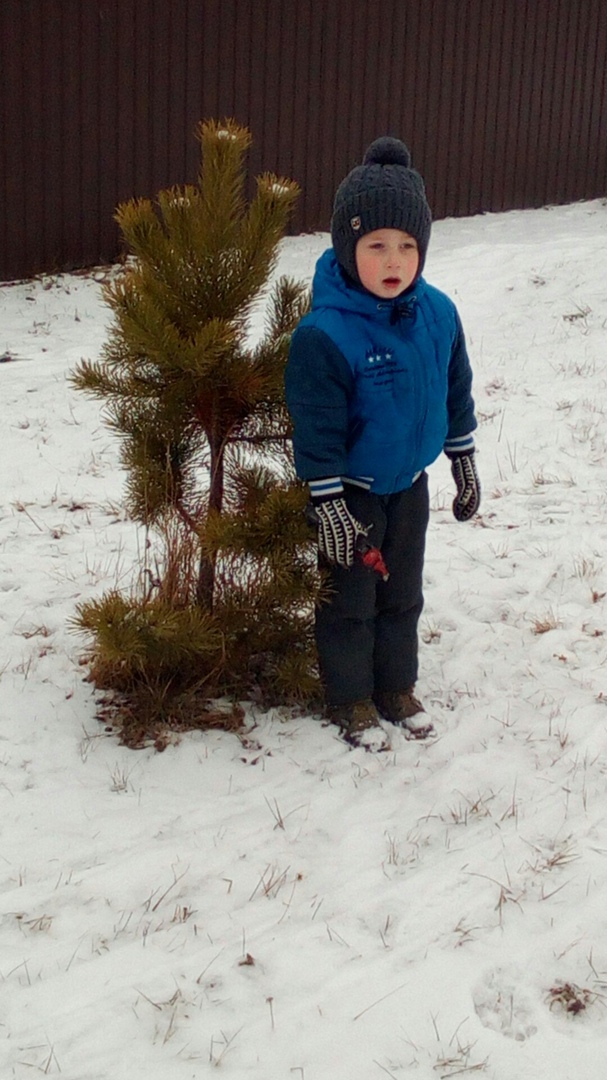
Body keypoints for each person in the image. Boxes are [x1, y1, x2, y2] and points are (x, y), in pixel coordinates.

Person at [284, 137, 480, 750]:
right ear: (348, 248)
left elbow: (455, 388)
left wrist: (463, 459)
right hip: (354, 495)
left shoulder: (439, 314)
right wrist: (328, 503)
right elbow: (314, 426)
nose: (394, 259)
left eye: (407, 245)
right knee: (351, 602)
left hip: (410, 489)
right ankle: (350, 699)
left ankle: (396, 687)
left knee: (403, 593)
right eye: (376, 246)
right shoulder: (326, 335)